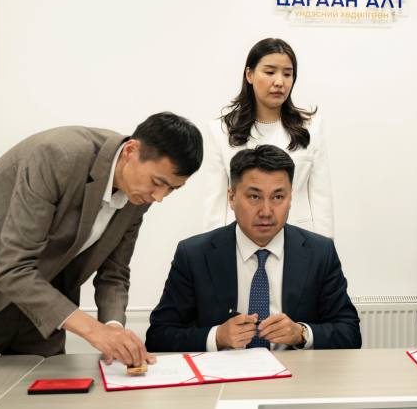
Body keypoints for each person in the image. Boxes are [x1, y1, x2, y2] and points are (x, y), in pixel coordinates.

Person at [0, 112, 203, 365]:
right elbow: (14, 268)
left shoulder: (139, 194)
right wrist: (95, 331)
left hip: (46, 316)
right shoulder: (57, 156)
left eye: (172, 189)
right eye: (158, 182)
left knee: (51, 388)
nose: (159, 197)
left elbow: (114, 273)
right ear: (131, 151)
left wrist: (113, 328)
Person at [146, 145, 360, 352]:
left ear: (290, 198)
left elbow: (350, 332)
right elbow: (158, 336)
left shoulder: (320, 252)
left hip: (296, 373)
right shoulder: (194, 255)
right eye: (254, 197)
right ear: (232, 198)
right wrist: (217, 336)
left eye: (278, 197)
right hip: (225, 372)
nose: (266, 211)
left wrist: (302, 333)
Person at [203, 38, 333, 237]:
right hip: (239, 239)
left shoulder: (311, 127)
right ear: (249, 75)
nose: (279, 82)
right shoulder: (220, 130)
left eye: (287, 74)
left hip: (299, 240)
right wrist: (213, 250)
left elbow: (321, 199)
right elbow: (214, 202)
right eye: (270, 72)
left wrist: (325, 248)